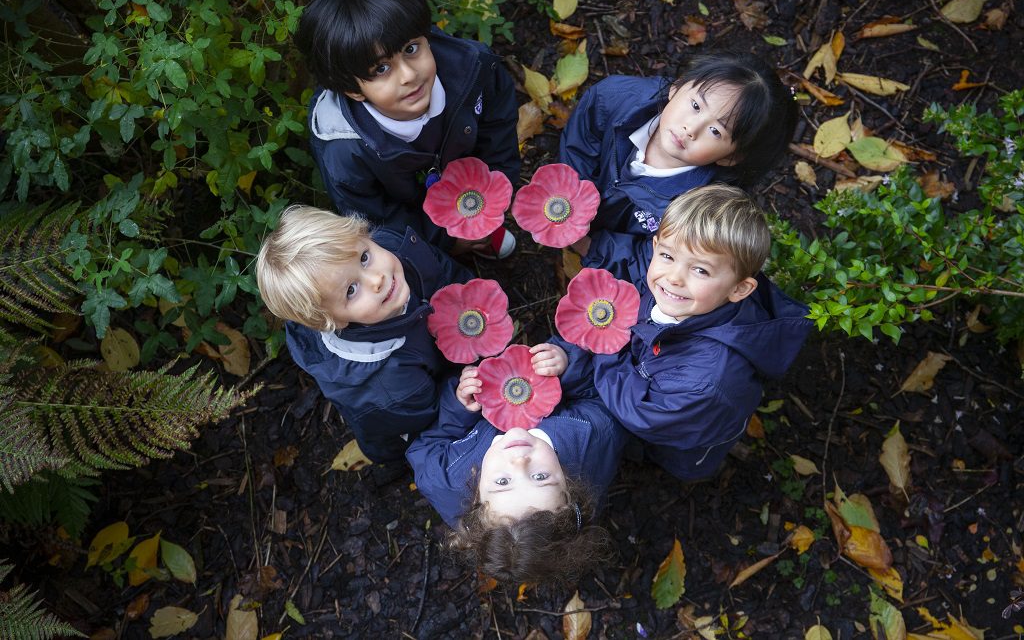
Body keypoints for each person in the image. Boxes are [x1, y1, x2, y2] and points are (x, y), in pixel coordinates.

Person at [585, 184, 812, 480]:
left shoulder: (706, 382)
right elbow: (632, 258)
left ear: (739, 289)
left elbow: (642, 414)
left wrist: (602, 344)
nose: (674, 277)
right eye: (667, 256)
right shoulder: (686, 295)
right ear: (656, 247)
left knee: (666, 459)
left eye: (700, 270)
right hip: (658, 380)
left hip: (684, 436)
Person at [294, 0, 520, 259]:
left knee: (484, 224)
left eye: (411, 49)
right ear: (353, 89)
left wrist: (497, 193)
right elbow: (376, 219)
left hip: (471, 186)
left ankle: (481, 227)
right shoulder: (345, 151)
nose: (409, 75)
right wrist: (444, 241)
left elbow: (498, 129)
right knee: (430, 262)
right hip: (412, 211)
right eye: (381, 69)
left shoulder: (473, 70)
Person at [256, 205, 473, 463]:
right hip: (403, 419)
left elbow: (440, 272)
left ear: (364, 235)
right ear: (335, 321)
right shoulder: (386, 382)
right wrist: (456, 397)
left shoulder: (391, 247)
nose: (376, 279)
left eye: (364, 258)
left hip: (434, 354)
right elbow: (427, 418)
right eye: (350, 290)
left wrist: (474, 300)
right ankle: (390, 464)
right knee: (398, 447)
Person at [405, 340, 627, 586]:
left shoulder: (444, 478)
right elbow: (601, 397)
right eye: (541, 477)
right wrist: (569, 367)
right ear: (570, 489)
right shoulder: (591, 435)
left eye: (502, 482)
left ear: (476, 500)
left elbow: (425, 445)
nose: (519, 461)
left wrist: (459, 410)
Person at [559, 52, 797, 257]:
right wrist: (571, 200)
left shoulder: (700, 211)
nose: (691, 129)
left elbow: (653, 257)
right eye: (695, 106)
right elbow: (579, 145)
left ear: (730, 158)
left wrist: (591, 248)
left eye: (715, 131)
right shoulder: (615, 99)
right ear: (677, 87)